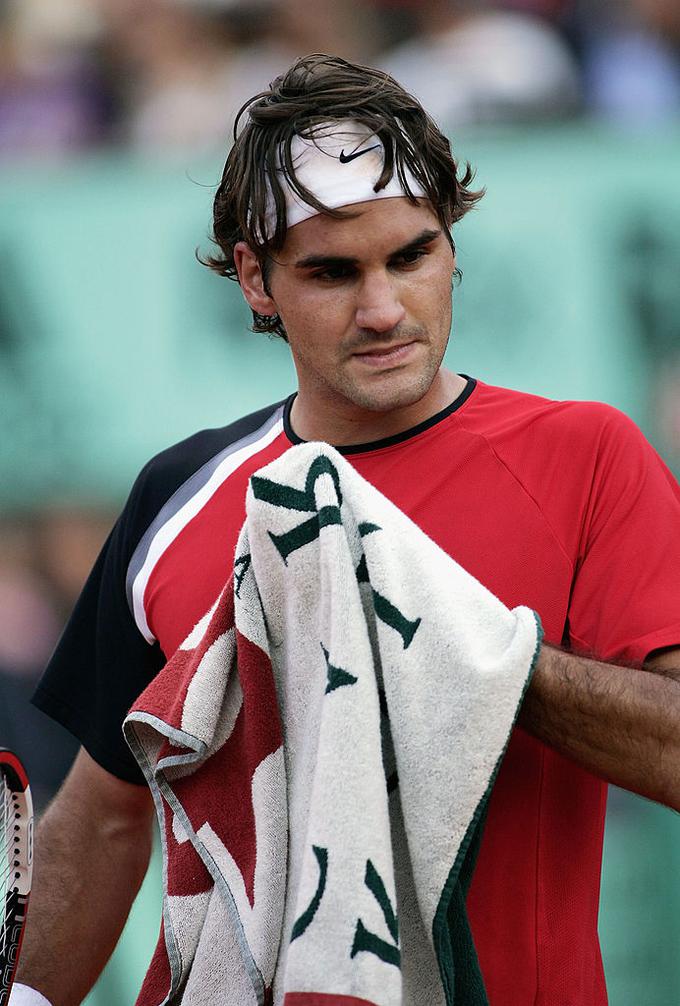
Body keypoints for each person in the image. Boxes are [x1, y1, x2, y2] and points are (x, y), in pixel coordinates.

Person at [14, 53, 680, 1006]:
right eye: (331, 273)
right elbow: (106, 815)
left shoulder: (588, 455)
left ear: (451, 246)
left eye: (410, 256)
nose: (382, 309)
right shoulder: (176, 493)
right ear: (254, 279)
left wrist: (478, 653)